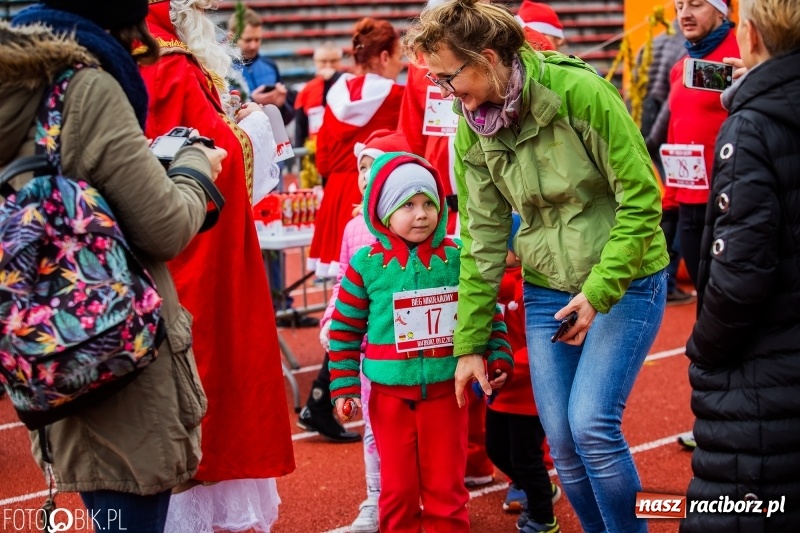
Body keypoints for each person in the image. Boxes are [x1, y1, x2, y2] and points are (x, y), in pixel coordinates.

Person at [403, 1, 669, 532]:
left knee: (592, 426)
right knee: (564, 445)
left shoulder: (581, 93)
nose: (444, 94)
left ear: (489, 57)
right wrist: (470, 346)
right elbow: (480, 239)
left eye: (448, 78)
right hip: (548, 286)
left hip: (626, 278)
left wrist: (599, 290)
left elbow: (642, 199)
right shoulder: (470, 127)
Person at [3, 1, 226, 531]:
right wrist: (195, 166)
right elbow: (164, 228)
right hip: (114, 343)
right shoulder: (84, 86)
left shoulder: (18, 85)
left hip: (45, 342)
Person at [141, 1, 295, 532]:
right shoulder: (173, 64)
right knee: (207, 373)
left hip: (171, 247)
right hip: (195, 252)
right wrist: (249, 129)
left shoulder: (151, 60)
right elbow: (209, 159)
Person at [328, 152, 513, 533]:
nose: (422, 214)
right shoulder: (365, 265)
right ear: (382, 211)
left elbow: (485, 311)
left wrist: (497, 354)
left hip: (449, 393)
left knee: (446, 489)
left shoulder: (457, 256)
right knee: (397, 493)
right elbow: (344, 333)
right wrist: (342, 387)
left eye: (429, 202)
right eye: (407, 205)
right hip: (389, 398)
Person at [681, 0, 800, 531]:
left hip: (762, 371)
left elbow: (739, 277)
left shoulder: (749, 126)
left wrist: (704, 352)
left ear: (747, 35)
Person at [317, 130, 412, 532]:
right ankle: (376, 500)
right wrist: (329, 319)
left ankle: (421, 495)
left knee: (416, 430)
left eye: (375, 165)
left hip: (415, 354)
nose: (365, 174)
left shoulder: (418, 223)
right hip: (370, 353)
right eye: (361, 166)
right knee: (374, 426)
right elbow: (342, 281)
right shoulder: (354, 229)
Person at [307, 17, 405, 279]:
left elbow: (324, 162)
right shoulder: (398, 97)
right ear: (385, 56)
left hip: (337, 195)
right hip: (379, 193)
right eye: (398, 57)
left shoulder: (334, 95)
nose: (401, 64)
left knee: (344, 288)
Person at [655, 0, 739, 287]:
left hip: (732, 201)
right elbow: (677, 133)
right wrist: (670, 202)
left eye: (696, 4)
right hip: (690, 205)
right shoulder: (681, 67)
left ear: (721, 10)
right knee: (703, 291)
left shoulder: (745, 57)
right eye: (679, 6)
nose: (685, 14)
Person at [488, 214, 561, 533]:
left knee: (526, 457)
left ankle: (544, 515)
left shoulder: (531, 288)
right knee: (496, 449)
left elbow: (542, 341)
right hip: (500, 389)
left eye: (500, 247)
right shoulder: (491, 285)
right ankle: (539, 489)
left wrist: (511, 367)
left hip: (528, 392)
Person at [638, 19, 695, 306]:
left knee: (666, 200)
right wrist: (653, 138)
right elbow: (673, 97)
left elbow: (638, 72)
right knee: (673, 202)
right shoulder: (680, 45)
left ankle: (665, 277)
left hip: (649, 111)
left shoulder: (655, 40)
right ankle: (668, 279)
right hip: (664, 119)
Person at [228, 7, 296, 126]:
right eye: (248, 40)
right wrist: (252, 102)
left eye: (257, 39)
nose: (253, 45)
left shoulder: (270, 66)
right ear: (231, 37)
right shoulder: (222, 70)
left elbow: (286, 119)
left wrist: (282, 105)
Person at [294, 41, 344, 149]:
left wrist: (336, 76)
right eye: (323, 61)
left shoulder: (349, 84)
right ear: (315, 62)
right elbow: (300, 129)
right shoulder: (306, 90)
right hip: (314, 151)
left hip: (342, 149)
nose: (329, 65)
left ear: (340, 61)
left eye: (333, 61)